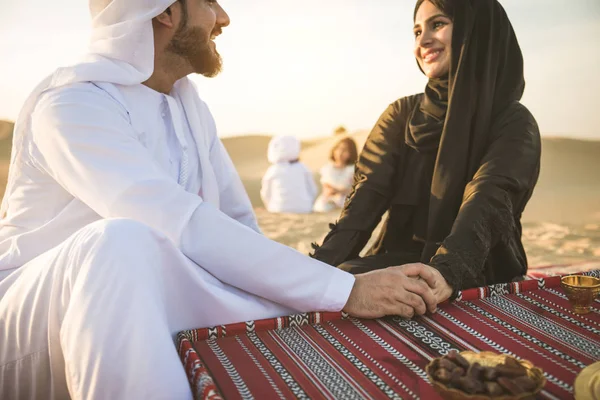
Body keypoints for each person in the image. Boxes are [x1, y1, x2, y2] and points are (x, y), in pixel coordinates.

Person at [0, 1, 442, 398]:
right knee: (118, 243)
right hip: (36, 327)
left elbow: (236, 223)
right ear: (165, 11)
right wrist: (347, 292)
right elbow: (176, 223)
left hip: (163, 292)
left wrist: (325, 291)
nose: (225, 17)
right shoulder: (71, 104)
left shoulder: (190, 107)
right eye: (210, 2)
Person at [311, 0, 541, 302]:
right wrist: (317, 273)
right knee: (343, 278)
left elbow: (488, 200)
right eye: (417, 31)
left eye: (438, 24)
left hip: (479, 268)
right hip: (403, 259)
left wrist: (446, 274)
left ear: (476, 30)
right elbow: (365, 201)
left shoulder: (513, 122)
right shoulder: (401, 114)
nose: (423, 41)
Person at [260, 135, 316, 213]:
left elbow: (265, 193)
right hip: (304, 208)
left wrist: (269, 206)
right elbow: (312, 190)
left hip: (278, 209)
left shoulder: (273, 170)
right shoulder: (303, 168)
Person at [313, 137, 358, 213]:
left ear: (351, 152)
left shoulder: (352, 169)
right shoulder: (327, 168)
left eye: (345, 150)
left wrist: (338, 191)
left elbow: (353, 190)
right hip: (329, 199)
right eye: (338, 149)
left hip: (345, 198)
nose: (340, 153)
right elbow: (326, 189)